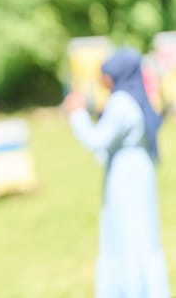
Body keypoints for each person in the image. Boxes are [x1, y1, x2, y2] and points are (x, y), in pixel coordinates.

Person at [63, 47, 170, 298]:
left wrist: (77, 113)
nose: (103, 80)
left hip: (126, 175)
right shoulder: (137, 97)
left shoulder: (121, 101)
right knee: (143, 234)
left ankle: (131, 290)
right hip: (139, 170)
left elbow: (97, 140)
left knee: (127, 235)